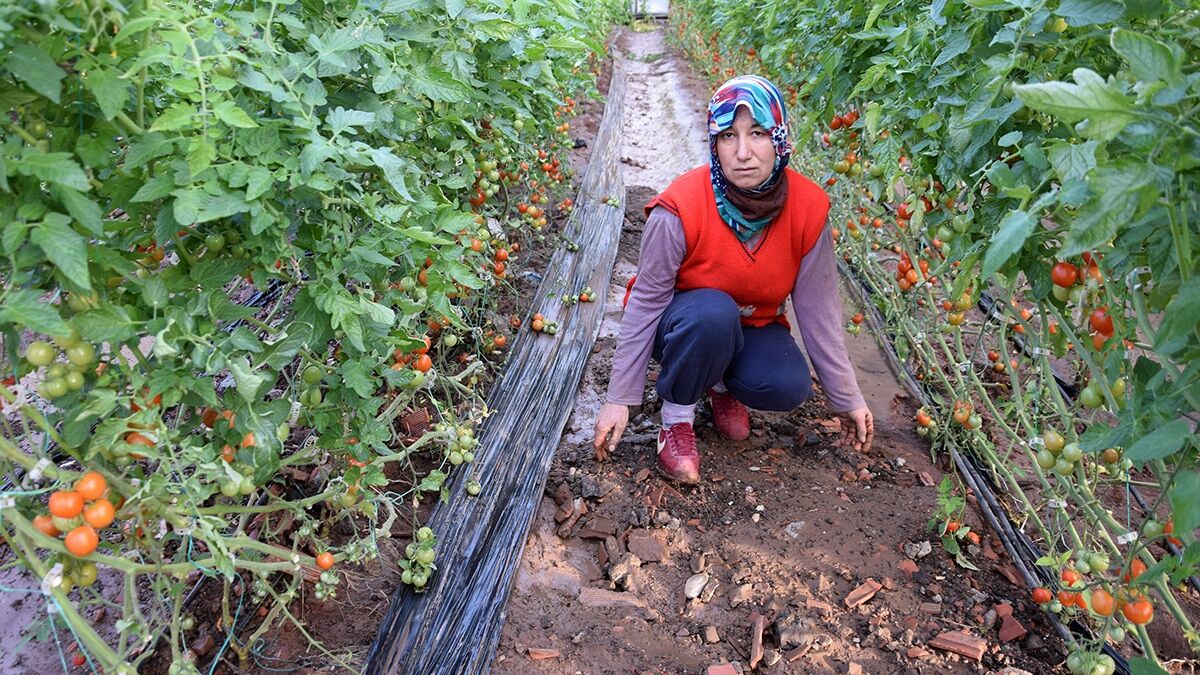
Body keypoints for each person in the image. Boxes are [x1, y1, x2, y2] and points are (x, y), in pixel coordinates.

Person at [592, 74, 874, 484]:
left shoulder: (808, 208)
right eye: (728, 135)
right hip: (681, 325)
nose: (743, 152)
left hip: (749, 325)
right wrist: (620, 397)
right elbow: (647, 303)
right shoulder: (680, 208)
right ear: (714, 144)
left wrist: (846, 396)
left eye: (757, 133)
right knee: (711, 315)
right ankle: (676, 420)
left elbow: (819, 310)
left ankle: (719, 383)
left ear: (779, 139)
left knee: (786, 384)